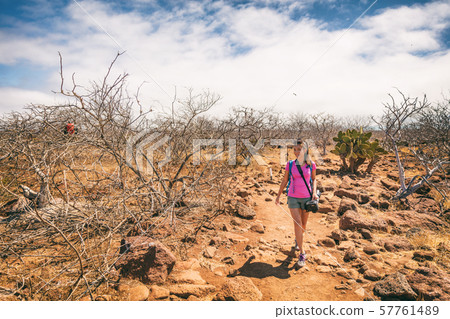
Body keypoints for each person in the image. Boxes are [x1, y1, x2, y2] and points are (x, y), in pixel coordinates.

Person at [275, 139, 318, 267]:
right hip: (293, 197)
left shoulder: (311, 164)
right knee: (298, 223)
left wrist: (314, 193)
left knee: (303, 224)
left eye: (299, 149)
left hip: (307, 198)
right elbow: (285, 179)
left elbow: (314, 179)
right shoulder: (290, 164)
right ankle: (302, 253)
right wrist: (278, 196)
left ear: (305, 150)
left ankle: (298, 240)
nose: (296, 152)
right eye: (294, 149)